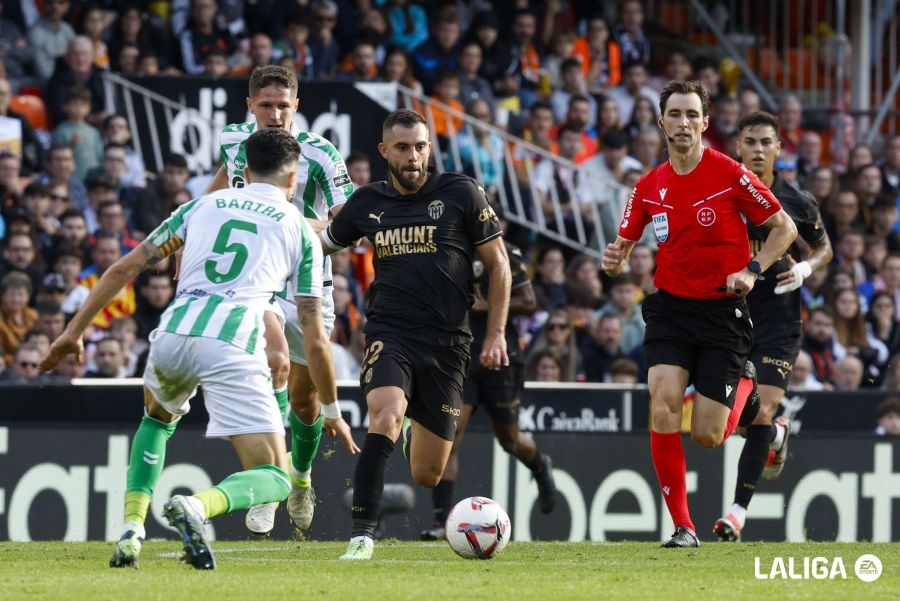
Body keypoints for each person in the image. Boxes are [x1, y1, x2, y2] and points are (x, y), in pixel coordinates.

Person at [38, 127, 356, 570]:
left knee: (156, 421)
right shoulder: (297, 229)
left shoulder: (198, 206)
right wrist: (333, 410)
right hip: (232, 342)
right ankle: (198, 508)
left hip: (172, 334)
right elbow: (317, 337)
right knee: (273, 476)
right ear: (291, 180)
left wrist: (72, 332)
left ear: (241, 170)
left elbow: (124, 267)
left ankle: (131, 529)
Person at [601, 80, 798, 548]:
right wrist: (617, 258)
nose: (684, 123)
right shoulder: (649, 186)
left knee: (709, 435)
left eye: (693, 115)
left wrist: (753, 268)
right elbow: (624, 242)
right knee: (664, 403)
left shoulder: (730, 174)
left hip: (722, 314)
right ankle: (683, 528)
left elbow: (784, 228)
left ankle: (754, 403)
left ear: (705, 123)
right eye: (675, 114)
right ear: (661, 121)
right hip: (670, 309)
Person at [320, 108, 511, 560]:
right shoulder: (368, 201)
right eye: (403, 148)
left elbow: (499, 265)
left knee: (428, 472)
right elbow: (325, 240)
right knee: (384, 415)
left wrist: (496, 334)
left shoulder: (461, 192)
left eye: (420, 146)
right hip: (391, 332)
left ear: (429, 148)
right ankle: (362, 536)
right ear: (385, 151)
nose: (413, 156)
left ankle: (412, 427)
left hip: (449, 343)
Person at [205, 65, 357, 536]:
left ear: (297, 107)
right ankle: (267, 482)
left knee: (305, 404)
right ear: (249, 105)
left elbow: (346, 224)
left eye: (283, 106)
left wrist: (289, 223)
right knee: (264, 372)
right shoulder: (234, 142)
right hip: (255, 283)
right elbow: (220, 185)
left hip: (309, 284)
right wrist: (194, 231)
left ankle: (299, 478)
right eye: (266, 105)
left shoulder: (320, 153)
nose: (274, 115)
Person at [714, 111, 833, 543]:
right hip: (728, 318)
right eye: (751, 141)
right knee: (724, 419)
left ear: (779, 149)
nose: (759, 149)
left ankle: (736, 514)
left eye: (767, 142)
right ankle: (776, 436)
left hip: (779, 322)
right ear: (739, 148)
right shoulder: (723, 194)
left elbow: (824, 250)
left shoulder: (797, 201)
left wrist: (803, 267)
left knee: (761, 408)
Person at [421, 239, 556, 541]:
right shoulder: (445, 248)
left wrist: (484, 304)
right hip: (459, 356)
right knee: (452, 434)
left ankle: (539, 464)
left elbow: (529, 301)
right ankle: (442, 522)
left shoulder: (506, 249)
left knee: (509, 439)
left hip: (500, 357)